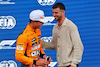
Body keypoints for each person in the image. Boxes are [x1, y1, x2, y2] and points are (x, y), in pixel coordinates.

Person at [41, 2, 84, 67]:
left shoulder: (71, 26)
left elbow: (78, 46)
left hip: (70, 65)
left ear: (63, 12)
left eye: (56, 13)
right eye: (53, 12)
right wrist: (39, 42)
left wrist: (74, 64)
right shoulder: (55, 27)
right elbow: (54, 45)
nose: (54, 15)